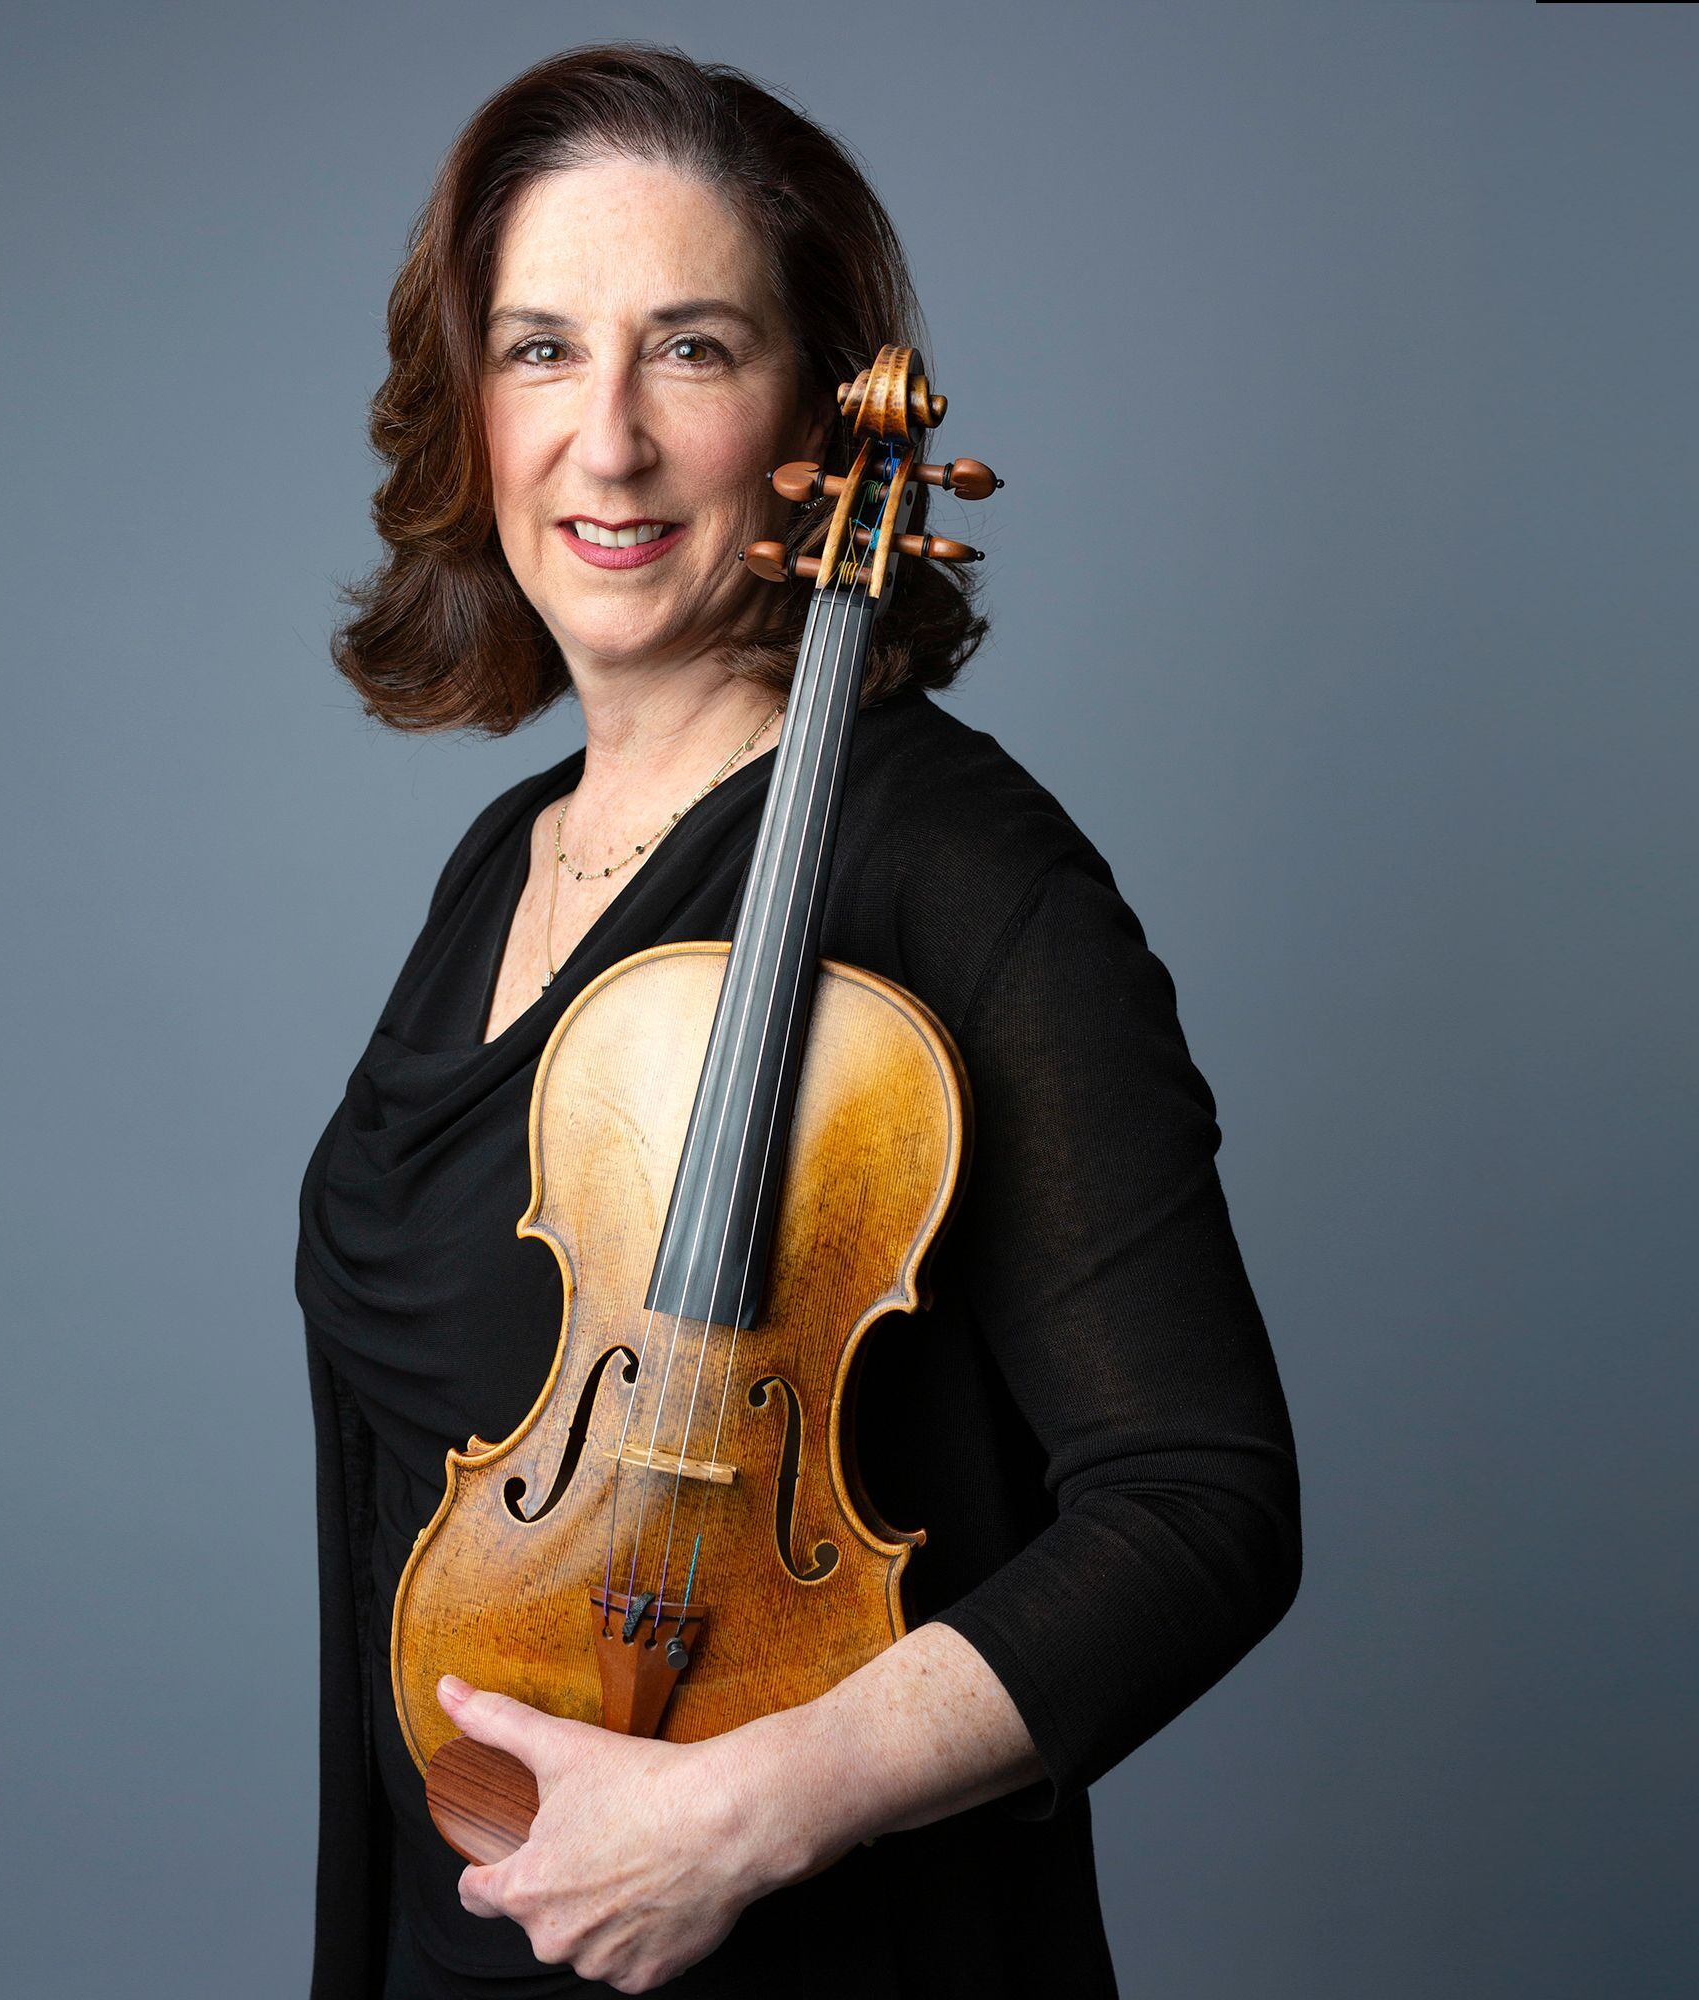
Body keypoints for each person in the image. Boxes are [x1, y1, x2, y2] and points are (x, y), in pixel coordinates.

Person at [296, 45, 1300, 2000]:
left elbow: (1202, 1509)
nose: (606, 443)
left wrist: (743, 1817)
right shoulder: (506, 860)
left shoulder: (961, 874)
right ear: (468, 407)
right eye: (538, 350)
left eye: (689, 350)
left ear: (812, 411)